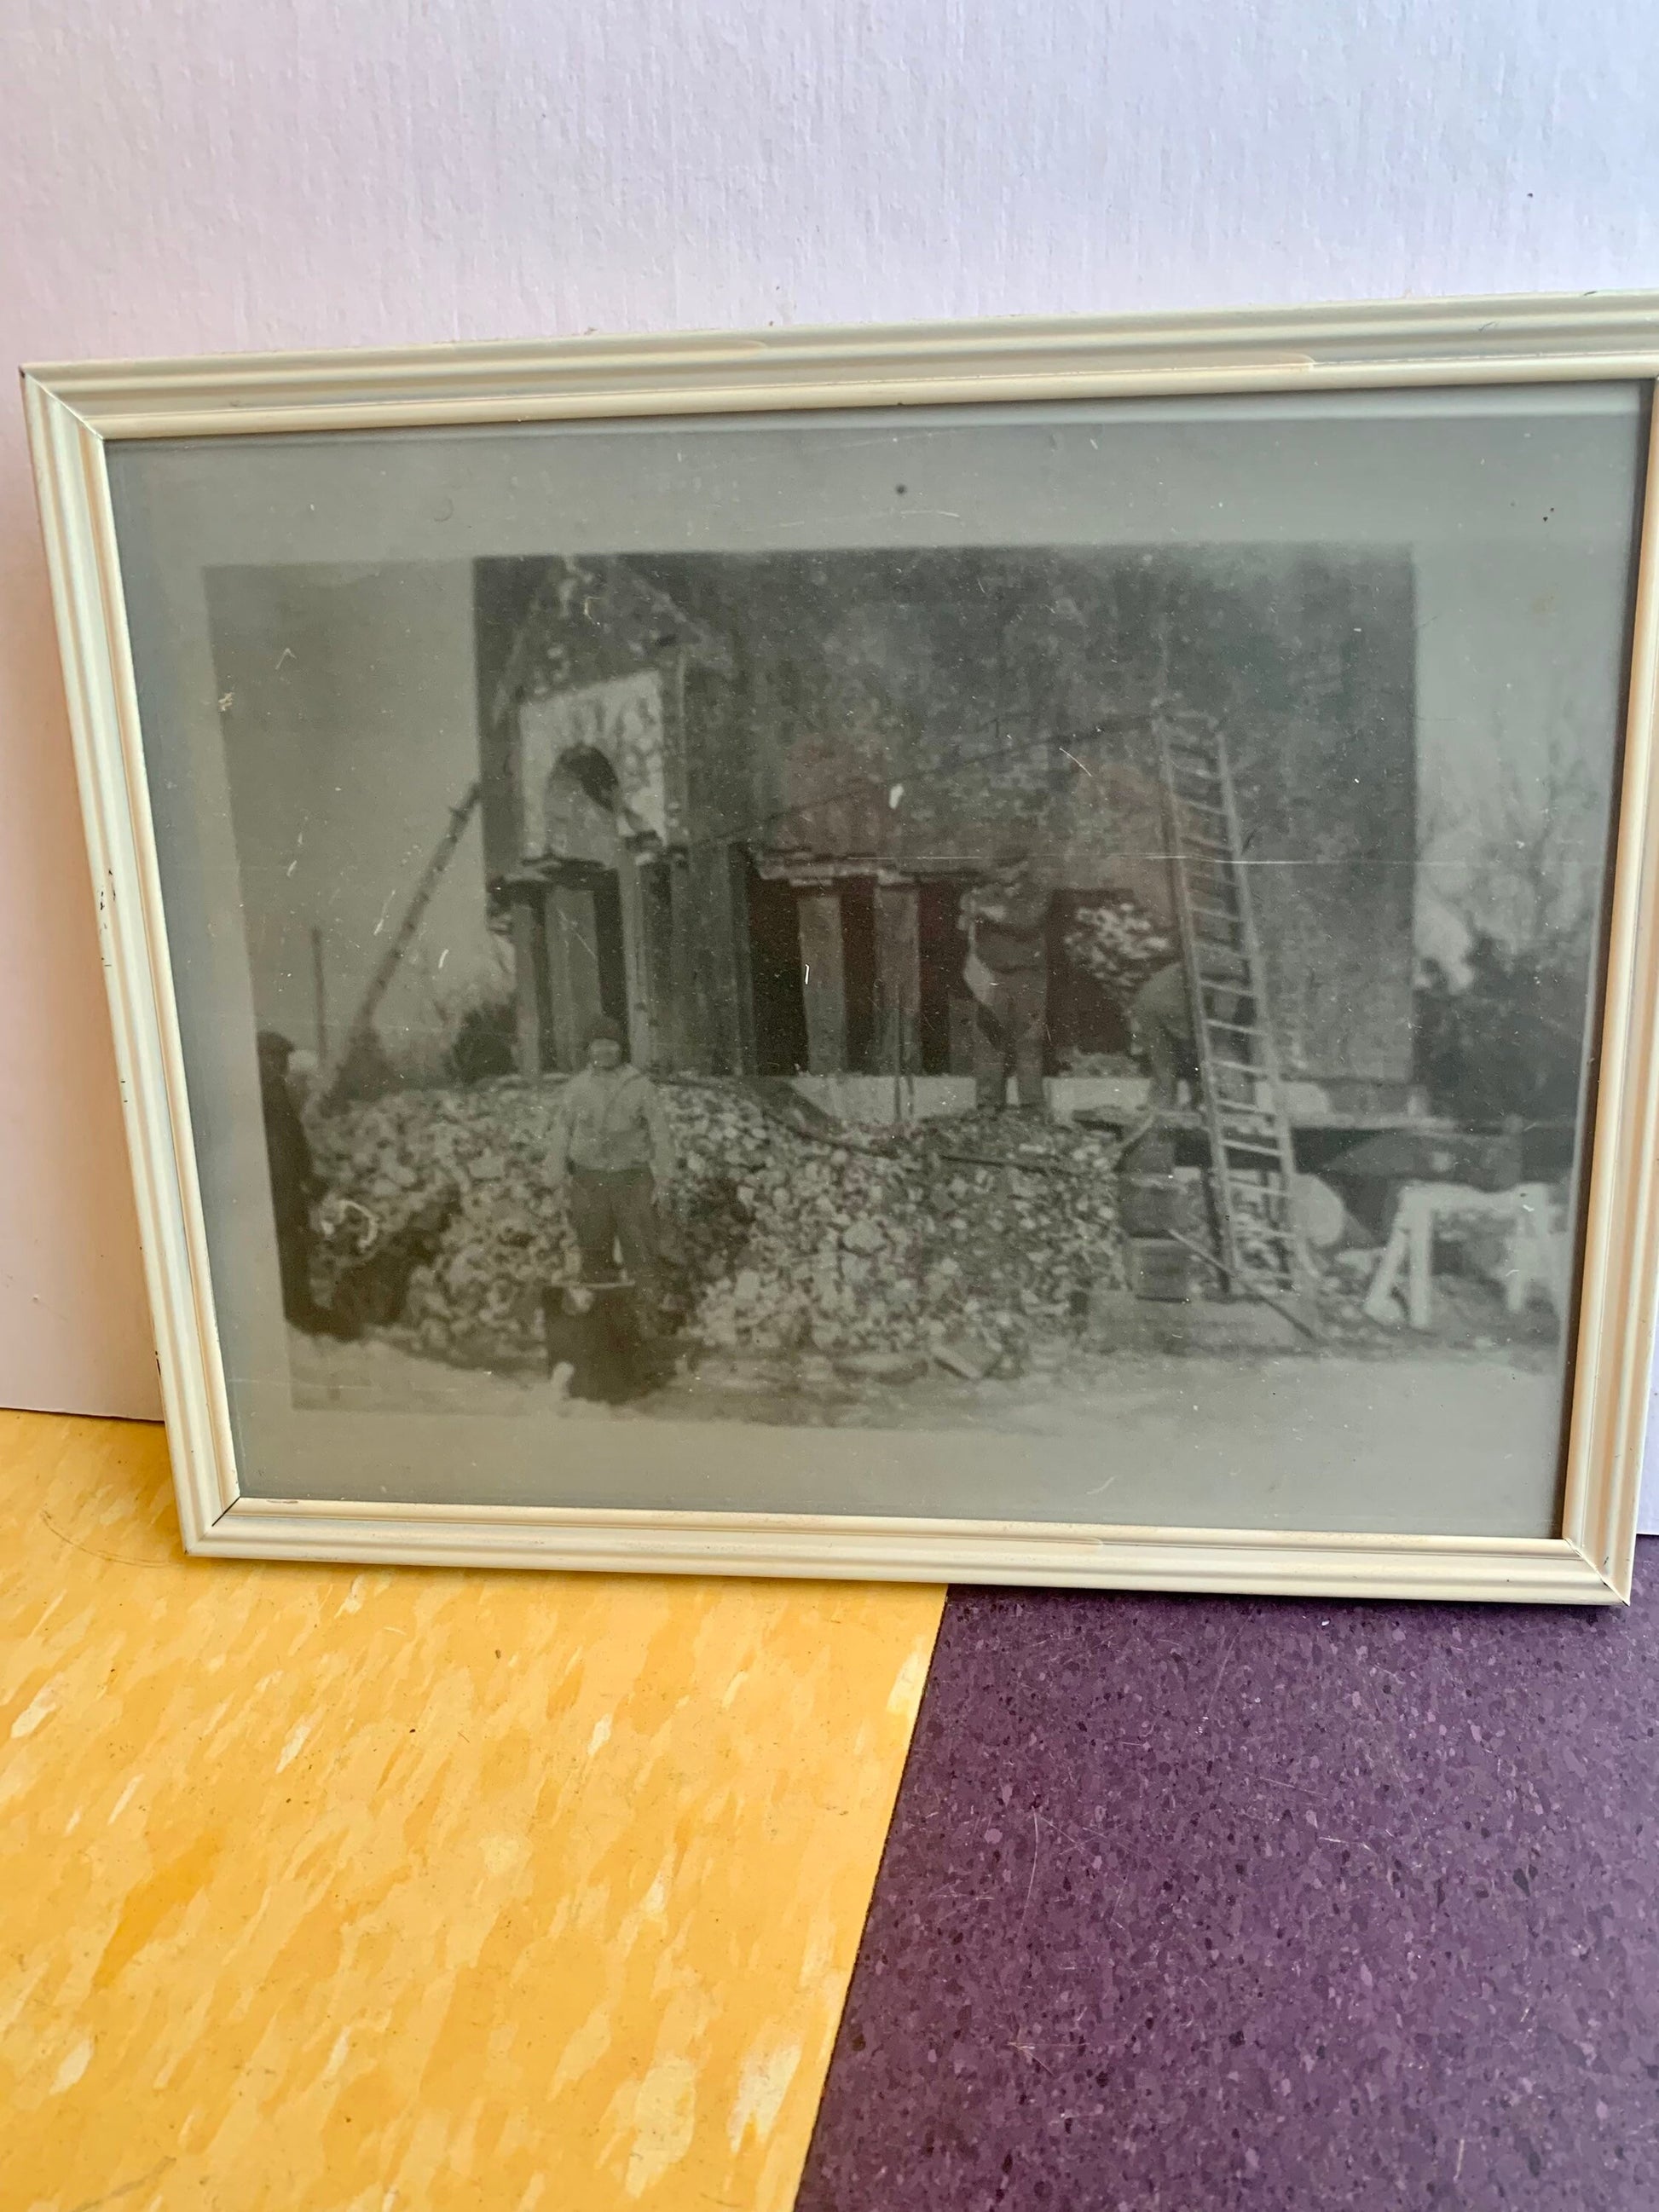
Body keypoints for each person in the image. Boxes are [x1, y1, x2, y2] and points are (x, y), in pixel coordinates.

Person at [548, 1015, 675, 1325]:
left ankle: (648, 1324)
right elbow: (561, 1132)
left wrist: (664, 1178)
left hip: (633, 1181)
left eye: (611, 1044)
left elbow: (660, 1133)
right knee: (593, 1255)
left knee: (642, 1254)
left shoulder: (640, 1086)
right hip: (589, 1181)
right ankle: (602, 1329)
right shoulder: (576, 1088)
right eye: (598, 1044)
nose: (604, 1050)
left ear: (621, 1049)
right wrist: (555, 1175)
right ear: (588, 1049)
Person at [962, 853, 1052, 1112]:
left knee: (1030, 1038)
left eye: (1008, 864)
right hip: (993, 976)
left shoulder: (1038, 892)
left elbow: (1026, 921)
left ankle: (1032, 1105)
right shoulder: (987, 893)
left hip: (1028, 978)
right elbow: (964, 923)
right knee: (989, 1039)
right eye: (999, 865)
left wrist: (984, 909)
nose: (1002, 871)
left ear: (1023, 865)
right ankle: (987, 1103)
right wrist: (969, 907)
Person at [256, 1029, 330, 1331]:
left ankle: (297, 1305)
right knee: (286, 1247)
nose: (281, 1065)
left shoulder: (278, 1094)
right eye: (274, 1059)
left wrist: (307, 1176)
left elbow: (294, 1142)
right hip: (273, 1187)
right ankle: (293, 1307)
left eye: (283, 1059)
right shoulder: (258, 1096)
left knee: (293, 1245)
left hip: (287, 1187)